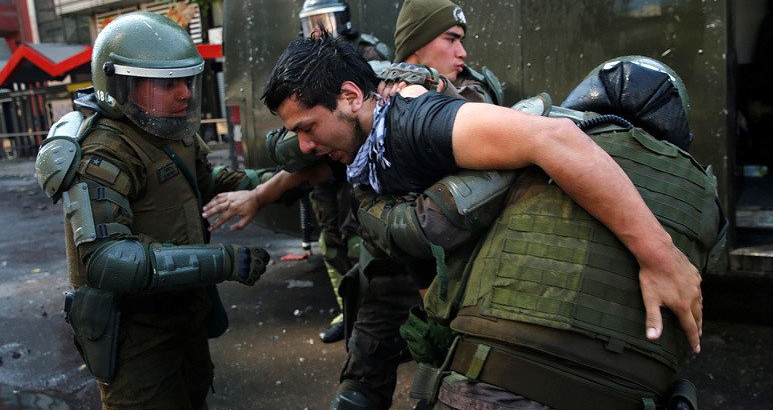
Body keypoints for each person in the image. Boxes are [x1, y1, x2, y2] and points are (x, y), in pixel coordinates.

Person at [257, 33, 709, 407]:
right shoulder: (369, 153)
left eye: (308, 128)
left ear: (351, 97)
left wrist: (660, 256)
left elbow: (556, 138)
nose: (305, 146)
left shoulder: (416, 125)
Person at [203, 0, 505, 409]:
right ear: (416, 44)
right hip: (387, 263)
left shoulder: (455, 103)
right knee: (362, 377)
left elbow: (538, 141)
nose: (462, 51)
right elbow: (315, 160)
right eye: (450, 39)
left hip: (457, 272)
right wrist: (258, 195)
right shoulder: (370, 101)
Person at [34, 12, 272, 410]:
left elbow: (203, 183)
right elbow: (109, 261)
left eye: (186, 81)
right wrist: (224, 261)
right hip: (136, 336)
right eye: (166, 83)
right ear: (121, 86)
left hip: (185, 313)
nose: (184, 94)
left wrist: (274, 182)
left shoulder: (168, 129)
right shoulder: (104, 151)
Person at [299, 0, 393, 344]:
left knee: (361, 243)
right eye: (312, 23)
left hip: (359, 166)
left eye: (325, 21)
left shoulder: (365, 54)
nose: (318, 30)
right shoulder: (305, 61)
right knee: (331, 243)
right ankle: (347, 311)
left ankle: (371, 317)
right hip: (326, 168)